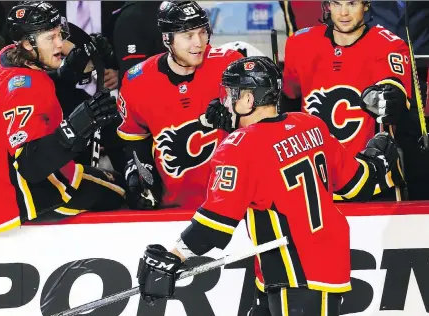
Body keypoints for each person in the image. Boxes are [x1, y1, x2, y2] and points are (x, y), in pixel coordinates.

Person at [136, 57, 405, 316]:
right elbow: (357, 183)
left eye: (232, 94)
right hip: (299, 270)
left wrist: (173, 257)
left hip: (297, 275)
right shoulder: (310, 124)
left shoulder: (237, 148)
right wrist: (377, 157)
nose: (226, 102)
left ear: (249, 99)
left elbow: (215, 224)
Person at [205, 0, 413, 200]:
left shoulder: (389, 45)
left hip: (371, 178)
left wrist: (388, 97)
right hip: (312, 181)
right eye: (336, 3)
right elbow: (283, 106)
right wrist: (236, 114)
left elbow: (396, 98)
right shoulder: (301, 43)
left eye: (352, 3)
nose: (343, 13)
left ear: (366, 5)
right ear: (327, 5)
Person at [0, 1, 125, 234]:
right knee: (120, 190)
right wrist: (77, 126)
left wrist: (71, 69)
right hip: (24, 198)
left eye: (59, 35)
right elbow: (31, 166)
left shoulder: (3, 60)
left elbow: (39, 93)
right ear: (27, 43)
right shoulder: (26, 88)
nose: (60, 43)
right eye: (50, 38)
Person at [117, 1, 243, 210]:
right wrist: (137, 172)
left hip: (231, 202)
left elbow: (265, 126)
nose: (198, 43)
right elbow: (134, 139)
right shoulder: (137, 80)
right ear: (167, 38)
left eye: (202, 32)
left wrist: (237, 121)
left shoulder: (230, 65)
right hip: (172, 206)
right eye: (188, 35)